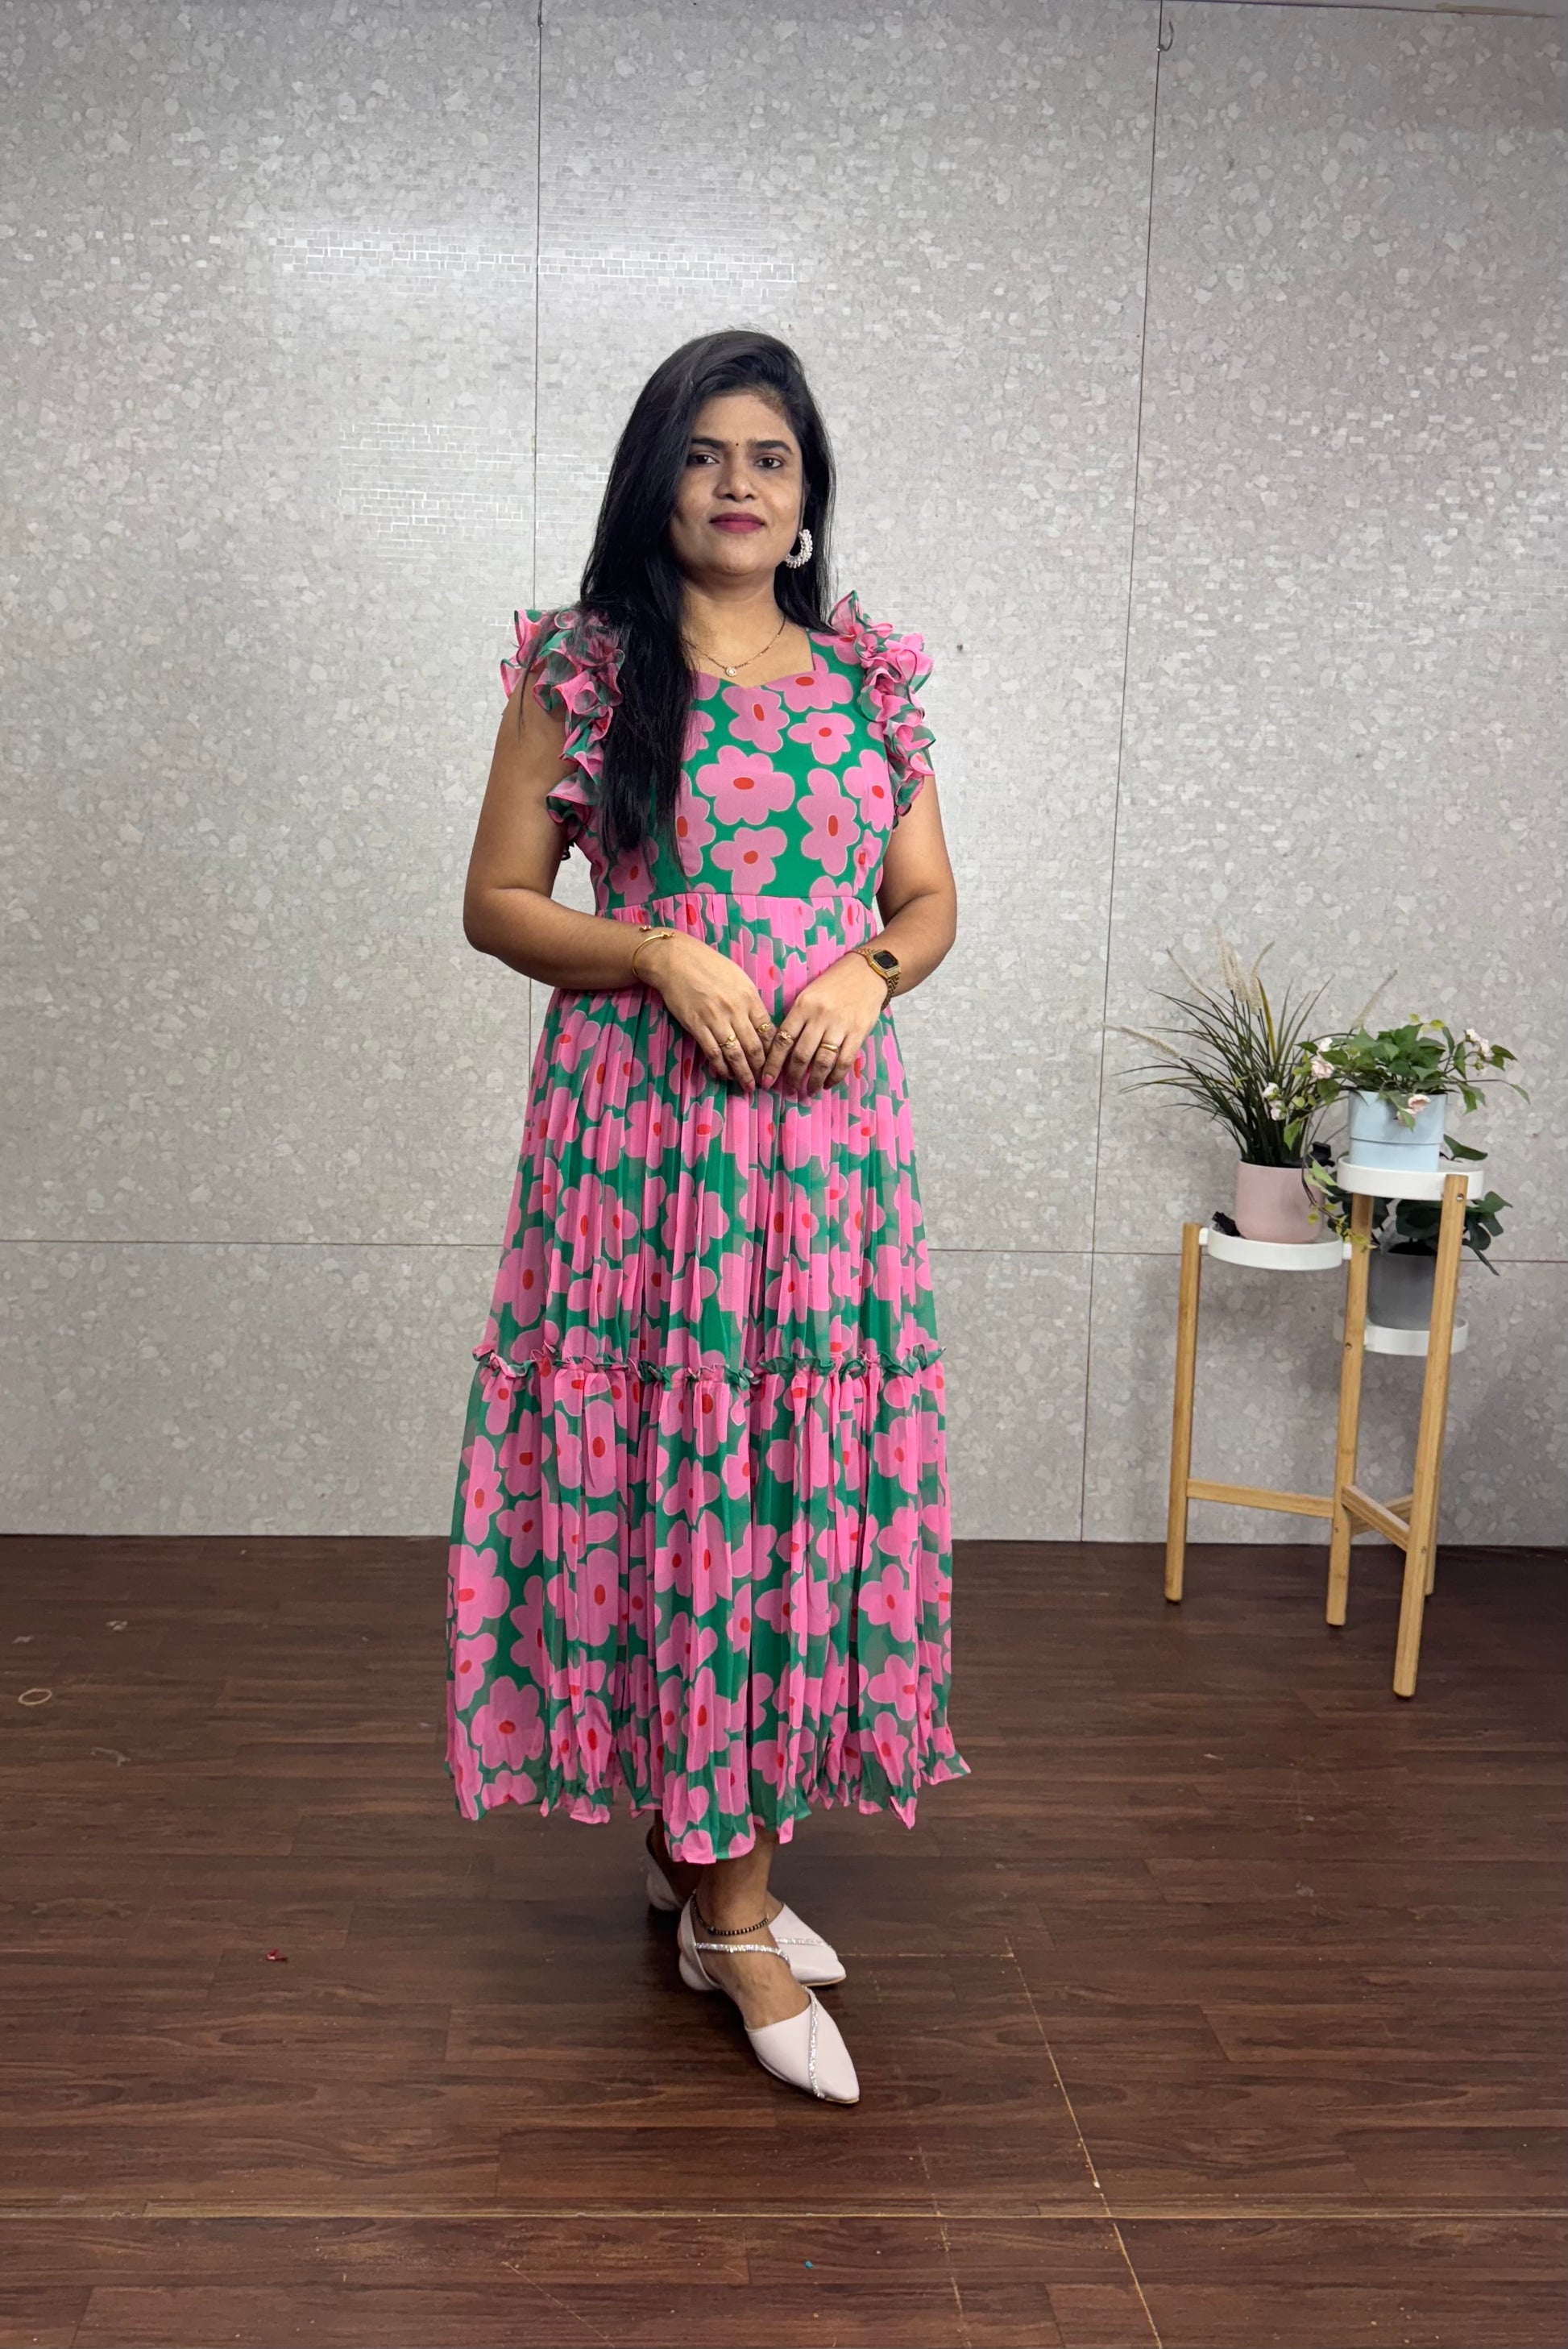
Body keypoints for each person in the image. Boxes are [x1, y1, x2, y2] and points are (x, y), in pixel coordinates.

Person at [446, 327, 965, 2106]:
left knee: (781, 1485)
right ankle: (728, 1915)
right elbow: (499, 903)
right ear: (651, 479)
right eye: (701, 453)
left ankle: (709, 1874)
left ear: (806, 498)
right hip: (639, 1150)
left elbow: (925, 896)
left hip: (823, 1155)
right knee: (672, 1484)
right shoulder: (585, 668)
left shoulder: (869, 679)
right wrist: (657, 950)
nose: (737, 484)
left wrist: (871, 974)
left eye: (770, 457)